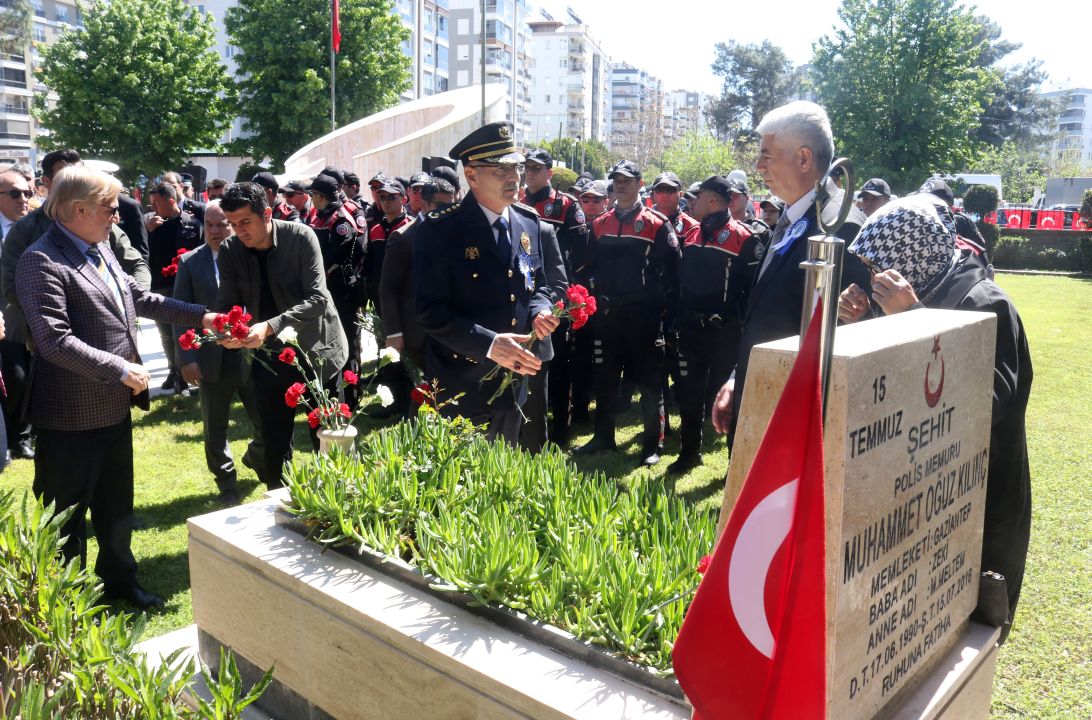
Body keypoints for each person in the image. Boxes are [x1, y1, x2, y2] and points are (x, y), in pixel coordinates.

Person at [15, 166, 216, 610]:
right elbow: (53, 340)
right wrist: (119, 368)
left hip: (110, 405)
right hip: (67, 413)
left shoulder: (98, 248)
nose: (117, 217)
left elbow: (141, 298)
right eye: (110, 208)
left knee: (115, 506)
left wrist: (204, 317)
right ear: (78, 208)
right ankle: (65, 600)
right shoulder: (40, 261)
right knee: (65, 515)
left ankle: (119, 581)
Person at [838, 194, 1032, 643]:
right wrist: (863, 320)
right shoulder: (926, 291)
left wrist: (912, 316)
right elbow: (896, 387)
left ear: (914, 255)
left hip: (981, 497)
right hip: (927, 491)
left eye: (879, 269)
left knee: (970, 638)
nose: (872, 279)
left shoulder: (984, 301)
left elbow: (985, 402)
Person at [710, 101, 870, 443]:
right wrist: (740, 378)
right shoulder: (794, 215)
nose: (758, 166)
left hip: (795, 423)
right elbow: (768, 315)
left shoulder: (840, 226)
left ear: (803, 158)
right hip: (760, 397)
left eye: (767, 155)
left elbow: (851, 335)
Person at [414, 121, 564, 445]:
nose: (513, 178)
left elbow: (537, 281)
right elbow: (429, 312)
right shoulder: (440, 230)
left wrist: (540, 309)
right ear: (471, 175)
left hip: (514, 383)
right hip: (461, 385)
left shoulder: (527, 222)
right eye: (500, 170)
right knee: (461, 486)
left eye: (516, 168)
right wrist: (490, 344)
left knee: (505, 478)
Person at [216, 182, 348, 490]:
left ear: (266, 214)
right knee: (274, 444)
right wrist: (227, 331)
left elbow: (318, 299)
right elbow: (227, 305)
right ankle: (279, 508)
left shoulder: (301, 238)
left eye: (245, 222)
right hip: (268, 358)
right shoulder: (230, 249)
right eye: (233, 225)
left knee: (329, 441)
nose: (239, 232)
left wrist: (270, 326)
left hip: (316, 352)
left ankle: (340, 505)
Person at [576, 160, 681, 466]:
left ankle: (651, 445)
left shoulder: (657, 224)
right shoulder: (600, 223)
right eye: (616, 180)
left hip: (644, 318)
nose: (620, 184)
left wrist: (668, 316)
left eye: (626, 179)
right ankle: (603, 436)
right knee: (606, 378)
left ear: (639, 182)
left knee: (650, 382)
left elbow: (674, 273)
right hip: (608, 316)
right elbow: (588, 267)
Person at [173, 200, 266, 507]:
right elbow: (180, 313)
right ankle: (226, 482)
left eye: (221, 224)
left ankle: (257, 457)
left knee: (263, 418)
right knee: (215, 425)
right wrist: (187, 358)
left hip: (249, 355)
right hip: (211, 359)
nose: (215, 231)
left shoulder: (250, 255)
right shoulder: (190, 263)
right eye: (210, 225)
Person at [668, 176, 754, 475]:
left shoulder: (744, 237)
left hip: (724, 333)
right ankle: (689, 453)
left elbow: (749, 291)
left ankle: (733, 467)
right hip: (692, 329)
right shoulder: (692, 234)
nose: (693, 201)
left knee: (729, 398)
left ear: (714, 200)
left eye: (699, 196)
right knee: (689, 395)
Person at [521, 148, 589, 448]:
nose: (530, 172)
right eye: (528, 167)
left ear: (550, 172)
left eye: (537, 168)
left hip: (558, 300)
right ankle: (527, 429)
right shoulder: (517, 203)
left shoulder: (566, 205)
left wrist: (571, 291)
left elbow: (583, 250)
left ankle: (560, 431)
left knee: (559, 366)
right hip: (525, 297)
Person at [380, 179, 456, 417]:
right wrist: (394, 333)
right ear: (424, 204)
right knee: (429, 387)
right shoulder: (404, 238)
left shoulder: (455, 234)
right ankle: (416, 430)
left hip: (449, 326)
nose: (447, 212)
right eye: (441, 206)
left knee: (443, 386)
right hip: (417, 330)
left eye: (451, 206)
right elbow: (388, 288)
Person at [146, 182, 203, 395]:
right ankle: (174, 371)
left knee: (187, 331)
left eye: (156, 203)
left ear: (171, 201)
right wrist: (148, 231)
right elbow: (144, 253)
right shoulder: (152, 225)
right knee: (166, 334)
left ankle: (188, 372)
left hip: (187, 287)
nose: (153, 208)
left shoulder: (192, 223)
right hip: (161, 286)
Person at [920, 177, 990, 261]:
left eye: (936, 206)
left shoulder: (962, 223)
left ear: (951, 209)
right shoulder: (915, 226)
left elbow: (980, 256)